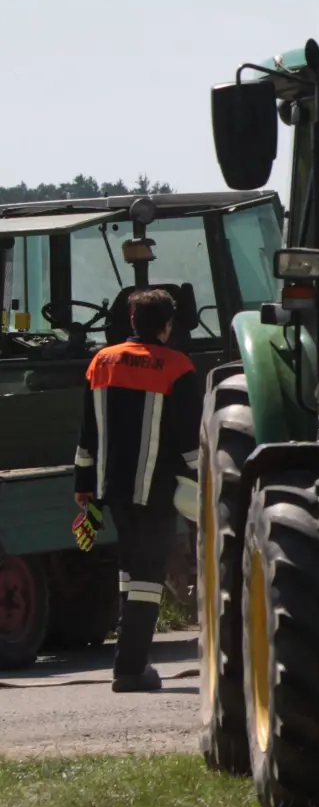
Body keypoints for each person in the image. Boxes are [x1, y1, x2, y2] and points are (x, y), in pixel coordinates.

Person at [73, 288, 202, 693]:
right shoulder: (177, 367)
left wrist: (84, 484)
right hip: (157, 489)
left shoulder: (101, 361)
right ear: (167, 326)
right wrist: (209, 481)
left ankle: (129, 662)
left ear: (132, 320)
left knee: (130, 572)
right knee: (147, 576)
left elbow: (87, 430)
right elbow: (190, 438)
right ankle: (130, 670)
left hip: (112, 488)